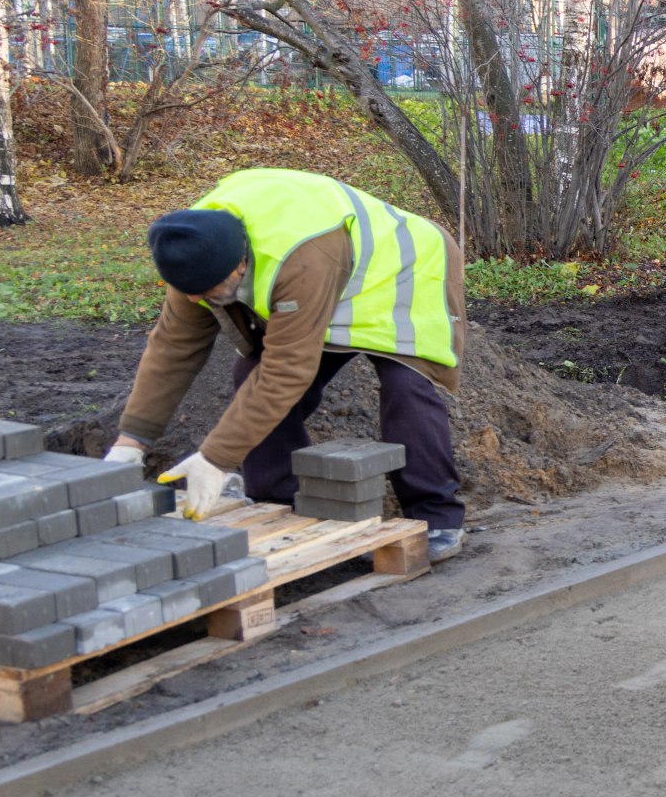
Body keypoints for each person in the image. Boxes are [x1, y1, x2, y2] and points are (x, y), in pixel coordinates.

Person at [107, 167, 468, 561]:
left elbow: (287, 371)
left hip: (403, 269)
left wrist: (216, 458)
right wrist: (131, 442)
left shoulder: (298, 259)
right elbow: (173, 348)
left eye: (209, 293)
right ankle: (278, 501)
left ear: (239, 266)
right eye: (191, 294)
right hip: (334, 271)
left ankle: (436, 519)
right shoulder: (191, 251)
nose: (197, 302)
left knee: (406, 385)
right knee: (250, 373)